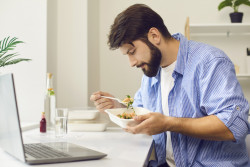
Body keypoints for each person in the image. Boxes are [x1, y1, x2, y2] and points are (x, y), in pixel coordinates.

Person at [90, 4, 250, 167]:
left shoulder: (209, 62)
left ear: (154, 35)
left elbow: (235, 126)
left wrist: (169, 123)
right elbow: (141, 112)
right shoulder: (151, 71)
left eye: (132, 52)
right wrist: (117, 107)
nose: (132, 63)